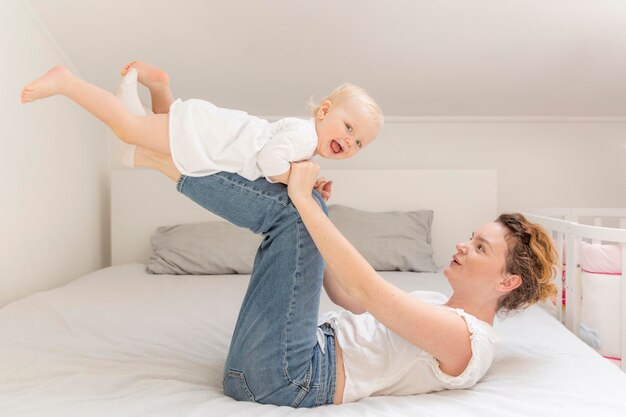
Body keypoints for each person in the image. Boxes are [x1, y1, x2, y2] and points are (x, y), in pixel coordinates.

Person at [21, 69, 558, 407]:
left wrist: (305, 205)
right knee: (299, 214)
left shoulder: (469, 340)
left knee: (296, 211)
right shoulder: (435, 305)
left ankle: (164, 154)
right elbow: (346, 297)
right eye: (471, 237)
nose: (463, 246)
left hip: (285, 378)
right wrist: (308, 217)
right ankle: (161, 156)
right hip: (285, 356)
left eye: (481, 248)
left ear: (509, 279)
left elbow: (369, 291)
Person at [20, 62, 383, 186]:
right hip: (204, 136)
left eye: (359, 143)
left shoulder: (303, 137)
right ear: (324, 111)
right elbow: (271, 163)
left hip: (207, 129)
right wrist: (296, 176)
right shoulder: (305, 138)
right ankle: (67, 81)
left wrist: (307, 175)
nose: (350, 142)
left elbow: (279, 154)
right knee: (129, 128)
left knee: (149, 131)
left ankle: (160, 85)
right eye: (348, 128)